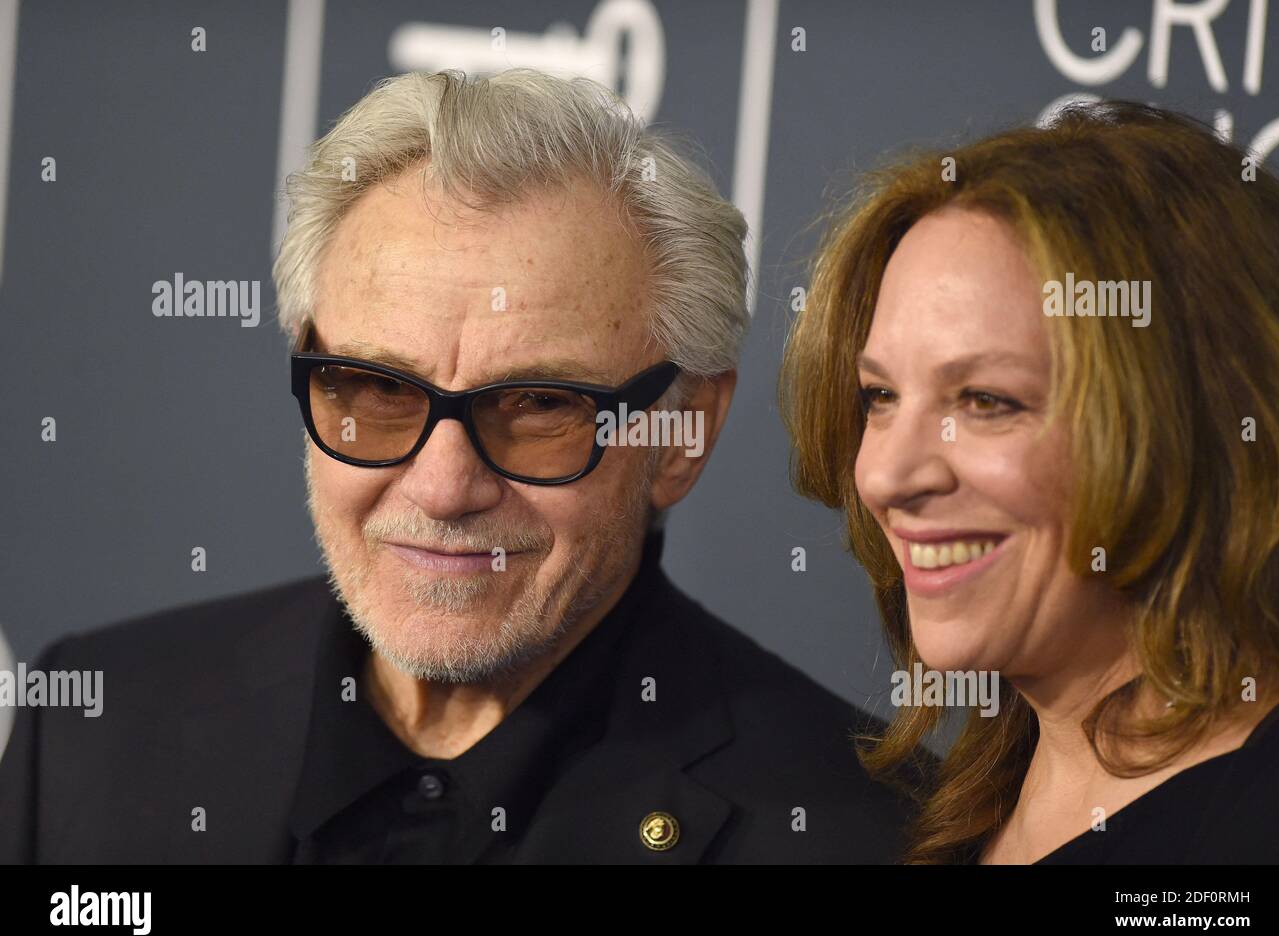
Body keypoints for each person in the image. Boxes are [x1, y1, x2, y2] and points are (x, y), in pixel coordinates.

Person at [0, 69, 914, 864]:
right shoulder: (95, 726)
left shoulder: (865, 836)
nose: (443, 488)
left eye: (539, 406)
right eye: (376, 389)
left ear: (681, 433)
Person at [781, 101, 1279, 864]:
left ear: (1196, 423)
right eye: (880, 397)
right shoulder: (946, 813)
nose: (888, 474)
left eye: (986, 401)